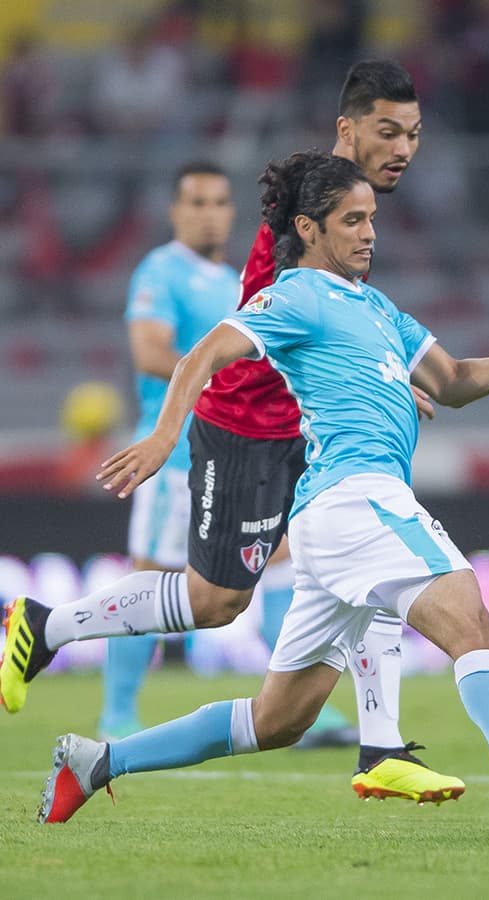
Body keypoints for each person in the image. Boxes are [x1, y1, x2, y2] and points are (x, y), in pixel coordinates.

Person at [34, 150, 489, 832]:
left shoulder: (380, 308)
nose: (369, 232)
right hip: (358, 497)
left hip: (333, 519)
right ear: (310, 228)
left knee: (276, 719)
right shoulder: (293, 294)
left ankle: (97, 762)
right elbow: (202, 354)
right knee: (471, 618)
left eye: (372, 218)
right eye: (352, 220)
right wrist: (164, 438)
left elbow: (456, 380)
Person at [1, 60, 459, 803]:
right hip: (247, 426)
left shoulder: (346, 206)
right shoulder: (316, 205)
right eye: (386, 132)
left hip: (303, 431)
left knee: (366, 556)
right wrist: (159, 437)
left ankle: (380, 747)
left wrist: (385, 375)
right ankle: (49, 627)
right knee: (218, 602)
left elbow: (333, 320)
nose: (403, 147)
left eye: (412, 133)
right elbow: (247, 331)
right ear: (346, 131)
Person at [106, 162, 241, 739]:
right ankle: (116, 710)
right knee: (150, 577)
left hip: (234, 454)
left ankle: (300, 705)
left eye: (218, 202)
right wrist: (225, 382)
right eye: (196, 202)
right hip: (174, 456)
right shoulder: (160, 270)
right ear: (175, 211)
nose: (208, 213)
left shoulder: (237, 281)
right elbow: (150, 352)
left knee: (290, 559)